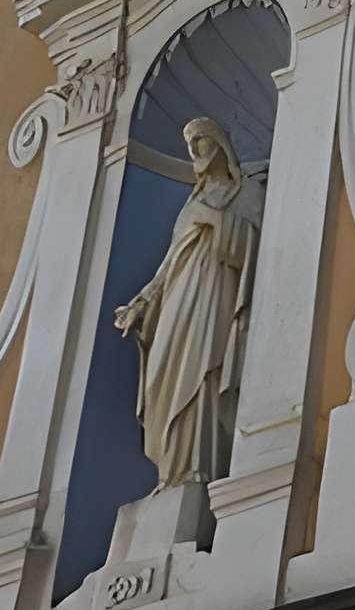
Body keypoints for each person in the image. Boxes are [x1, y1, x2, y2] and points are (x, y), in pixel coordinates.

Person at [114, 118, 266, 486]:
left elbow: (255, 248)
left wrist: (213, 221)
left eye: (199, 142)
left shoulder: (246, 193)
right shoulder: (191, 202)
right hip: (180, 296)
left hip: (216, 291)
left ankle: (197, 467)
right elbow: (171, 262)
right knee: (165, 371)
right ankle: (171, 472)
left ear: (218, 144)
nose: (194, 151)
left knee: (202, 371)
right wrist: (144, 299)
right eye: (189, 145)